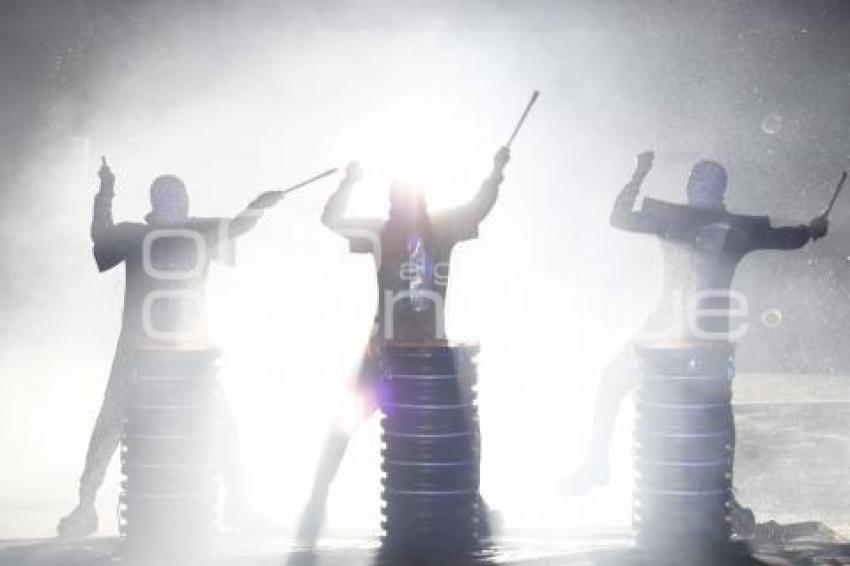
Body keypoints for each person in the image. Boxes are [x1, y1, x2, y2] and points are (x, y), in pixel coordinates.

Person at [564, 151, 828, 501]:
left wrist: (810, 230)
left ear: (718, 191)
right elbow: (788, 237)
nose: (700, 189)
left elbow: (620, 216)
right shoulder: (719, 226)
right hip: (676, 328)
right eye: (697, 182)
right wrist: (810, 230)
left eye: (705, 183)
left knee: (714, 408)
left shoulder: (688, 222)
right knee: (621, 380)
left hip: (700, 332)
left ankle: (720, 488)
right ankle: (598, 461)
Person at [292, 147, 510, 550]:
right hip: (389, 352)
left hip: (427, 354)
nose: (402, 205)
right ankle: (316, 502)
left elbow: (479, 207)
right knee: (348, 425)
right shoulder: (393, 232)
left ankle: (471, 503)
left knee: (458, 435)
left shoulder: (435, 228)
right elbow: (331, 220)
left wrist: (496, 173)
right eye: (398, 199)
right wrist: (348, 182)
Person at [58, 158, 285, 537]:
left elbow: (101, 234)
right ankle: (85, 506)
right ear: (160, 203)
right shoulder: (185, 232)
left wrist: (259, 204)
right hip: (155, 353)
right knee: (115, 423)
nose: (174, 203)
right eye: (169, 197)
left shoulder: (173, 233)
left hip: (179, 353)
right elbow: (240, 225)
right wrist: (106, 191)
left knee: (215, 425)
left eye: (176, 196)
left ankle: (235, 504)